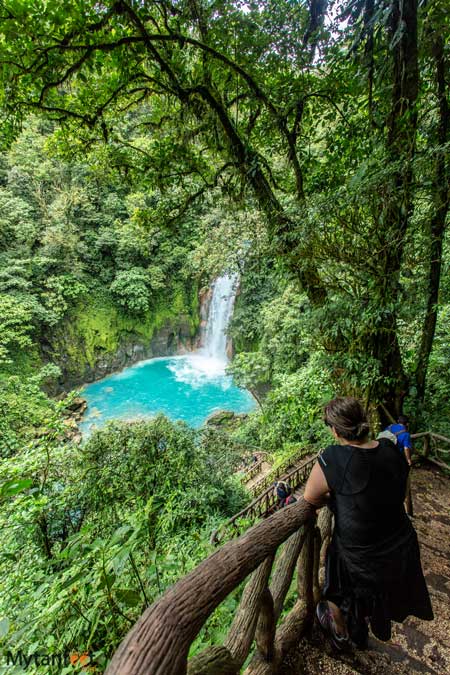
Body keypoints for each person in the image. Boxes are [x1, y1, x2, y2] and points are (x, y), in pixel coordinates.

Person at [303, 397, 433, 651]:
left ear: (335, 430)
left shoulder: (334, 458)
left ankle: (339, 627)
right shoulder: (390, 448)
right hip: (400, 547)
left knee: (338, 569)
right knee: (359, 577)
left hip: (361, 557)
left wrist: (338, 495)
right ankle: (359, 623)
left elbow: (310, 497)